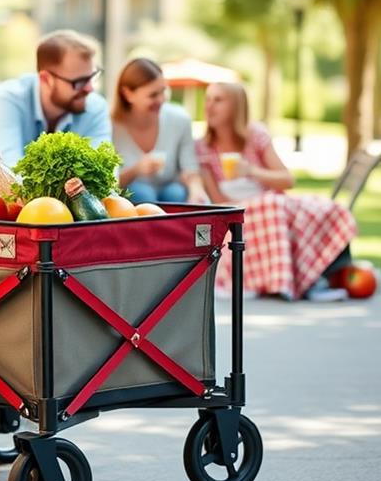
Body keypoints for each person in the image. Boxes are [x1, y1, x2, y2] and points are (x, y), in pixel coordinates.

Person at [196, 82, 356, 301]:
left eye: (218, 100)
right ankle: (290, 282)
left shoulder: (255, 136)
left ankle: (315, 280)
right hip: (244, 213)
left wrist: (251, 170)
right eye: (208, 99)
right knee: (272, 206)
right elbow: (219, 201)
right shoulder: (202, 148)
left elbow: (287, 180)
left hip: (275, 208)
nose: (209, 106)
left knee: (324, 209)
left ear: (237, 106)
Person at [0, 30, 110, 182]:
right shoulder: (6, 99)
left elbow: (105, 176)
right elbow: (11, 175)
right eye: (79, 82)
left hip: (24, 212)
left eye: (92, 76)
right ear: (45, 79)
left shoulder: (95, 107)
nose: (90, 88)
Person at [111, 58, 208, 204]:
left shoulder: (179, 119)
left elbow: (190, 169)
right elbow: (109, 184)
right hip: (134, 202)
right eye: (153, 95)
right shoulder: (110, 126)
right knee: (142, 193)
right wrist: (136, 170)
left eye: (163, 91)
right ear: (127, 94)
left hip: (172, 193)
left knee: (175, 193)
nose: (162, 100)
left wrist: (196, 192)